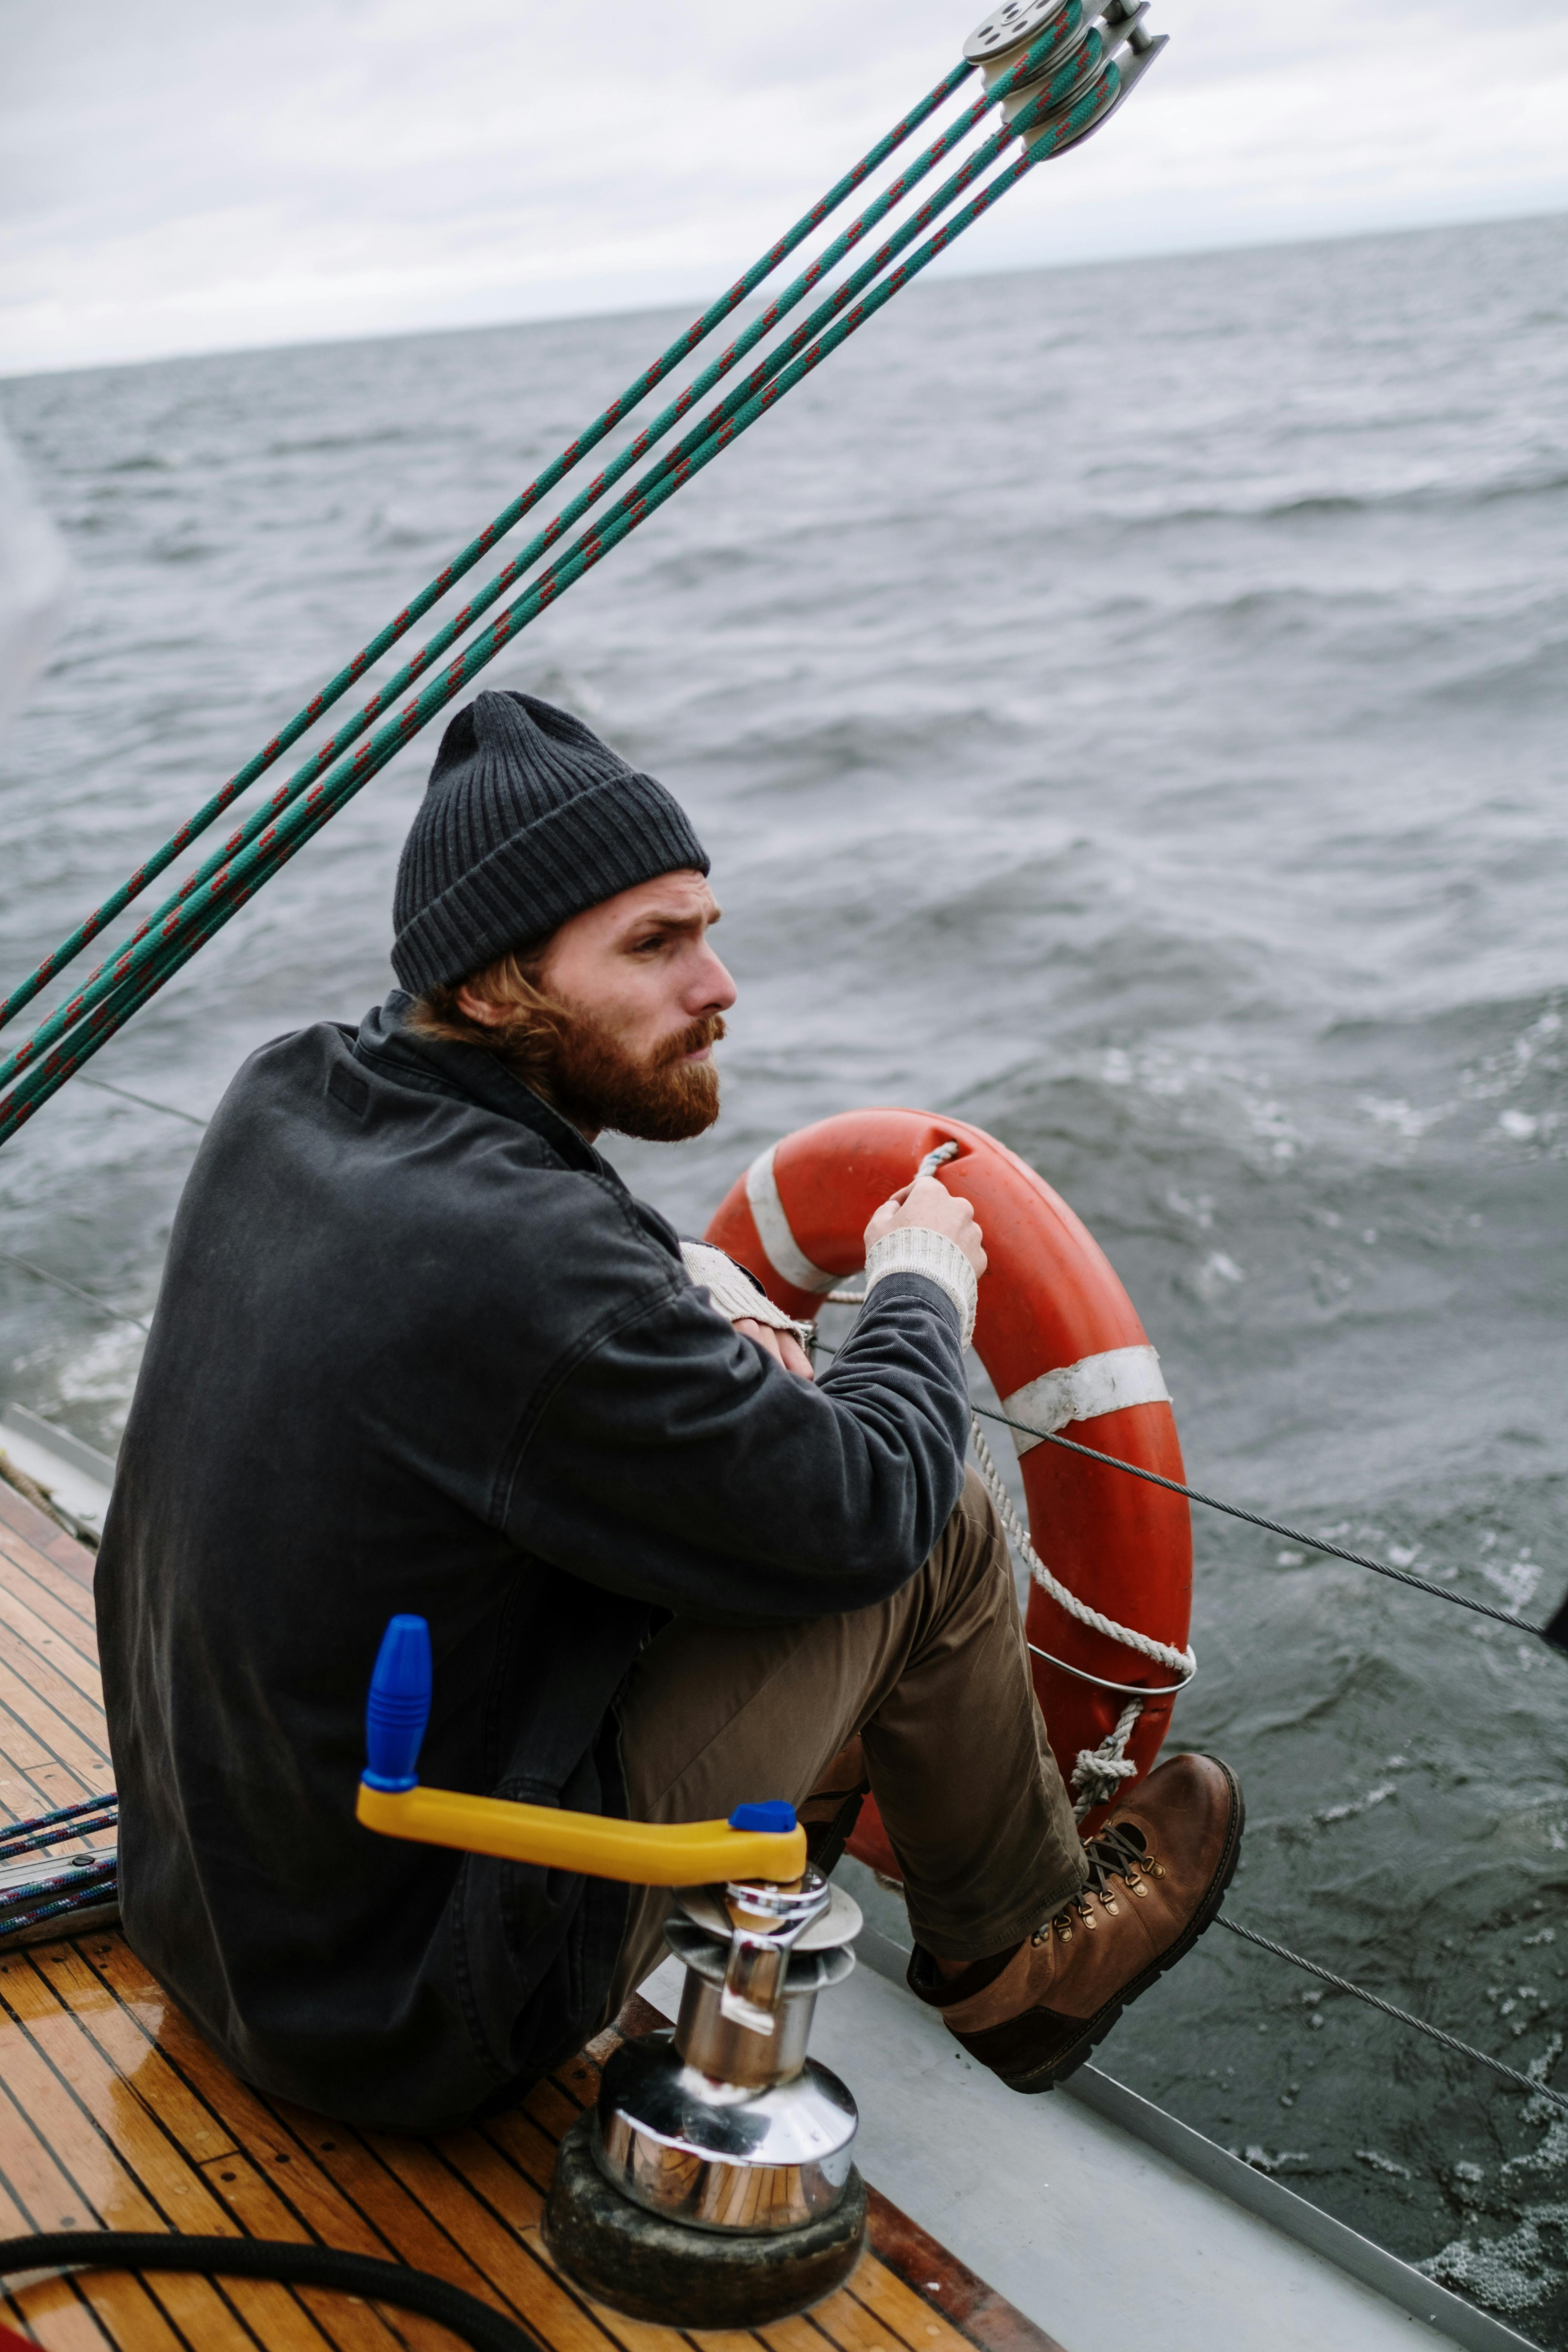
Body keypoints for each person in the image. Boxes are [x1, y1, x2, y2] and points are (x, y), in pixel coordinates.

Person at [96, 690, 1242, 2131]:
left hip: (219, 1917)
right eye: (654, 946)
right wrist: (919, 1292)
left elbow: (530, 1337)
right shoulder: (536, 1269)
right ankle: (1016, 1954)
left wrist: (687, 1298)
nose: (720, 985)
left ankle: (789, 1832)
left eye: (705, 928)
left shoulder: (290, 1097)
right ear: (498, 985)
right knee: (930, 1510)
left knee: (752, 1487)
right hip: (404, 2017)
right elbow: (864, 1511)